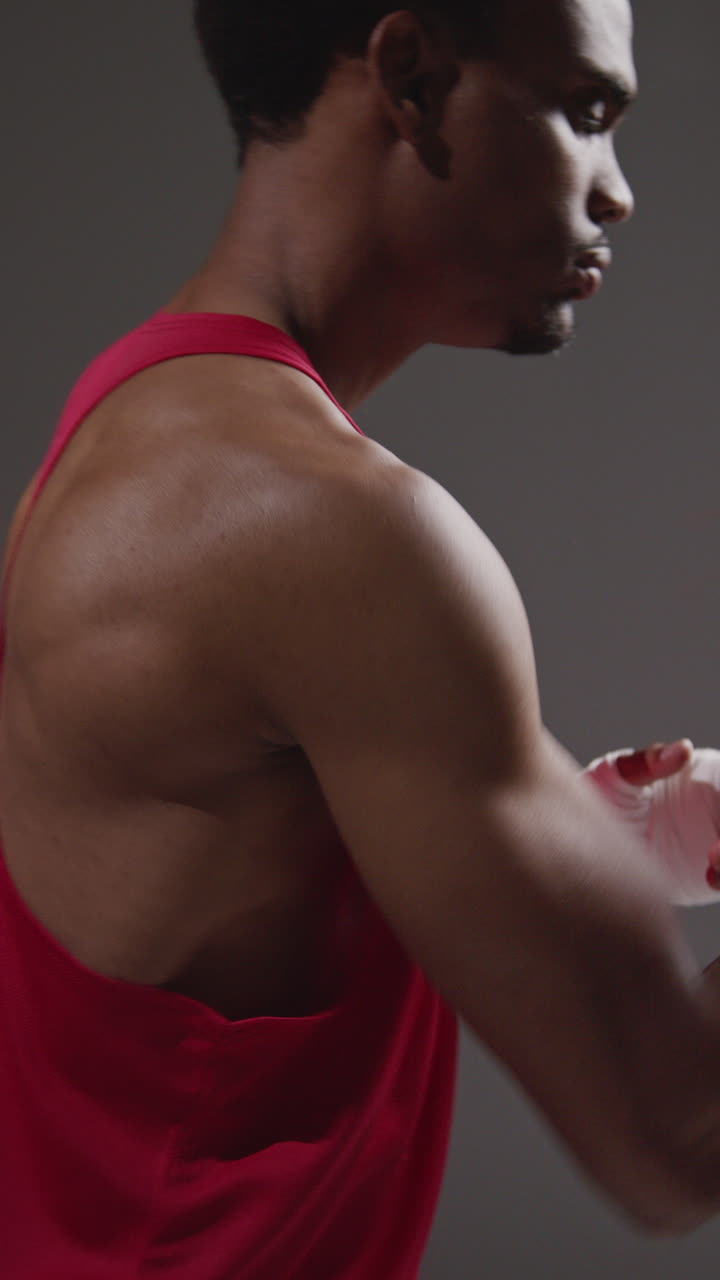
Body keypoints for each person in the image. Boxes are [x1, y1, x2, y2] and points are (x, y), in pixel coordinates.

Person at [2, 0, 720, 1275]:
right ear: (415, 77)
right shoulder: (336, 529)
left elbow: (205, 888)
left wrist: (581, 844)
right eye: (585, 113)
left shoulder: (140, 420)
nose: (615, 193)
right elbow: (678, 1138)